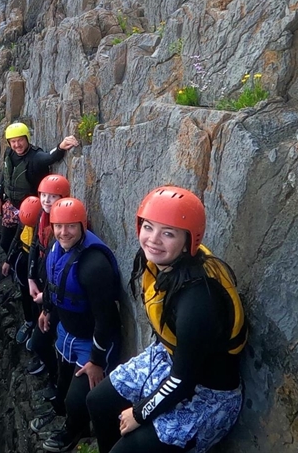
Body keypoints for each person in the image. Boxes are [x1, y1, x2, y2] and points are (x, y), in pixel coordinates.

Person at [86, 186, 247, 453]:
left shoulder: (198, 301)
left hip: (208, 393)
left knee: (125, 450)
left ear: (189, 241)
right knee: (97, 401)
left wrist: (138, 414)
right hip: (170, 360)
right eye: (148, 227)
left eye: (168, 233)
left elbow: (183, 381)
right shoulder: (162, 262)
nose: (153, 239)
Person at [31, 198, 122, 452]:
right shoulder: (55, 245)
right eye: (58, 226)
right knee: (62, 386)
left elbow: (106, 319)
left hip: (92, 341)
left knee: (76, 400)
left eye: (70, 226)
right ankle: (68, 419)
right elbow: (53, 283)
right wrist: (46, 310)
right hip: (67, 331)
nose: (63, 232)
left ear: (83, 226)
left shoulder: (94, 266)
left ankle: (75, 431)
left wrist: (96, 360)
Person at [0, 122, 80, 253]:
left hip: (31, 209)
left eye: (20, 140)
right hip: (11, 205)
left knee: (27, 246)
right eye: (13, 141)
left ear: (27, 138)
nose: (17, 145)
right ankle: (11, 264)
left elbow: (50, 157)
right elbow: (4, 175)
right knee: (5, 243)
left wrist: (61, 147)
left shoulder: (35, 157)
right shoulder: (9, 153)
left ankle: (23, 265)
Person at [25, 174, 71, 386]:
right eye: (43, 195)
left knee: (43, 339)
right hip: (44, 283)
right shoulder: (42, 217)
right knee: (41, 333)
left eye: (52, 197)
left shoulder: (66, 230)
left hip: (56, 295)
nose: (46, 201)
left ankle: (55, 376)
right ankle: (50, 367)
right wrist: (31, 278)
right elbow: (35, 246)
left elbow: (64, 272)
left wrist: (48, 299)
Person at [2, 195, 43, 344]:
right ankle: (28, 322)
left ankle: (38, 330)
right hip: (23, 258)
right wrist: (8, 261)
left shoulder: (44, 227)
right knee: (25, 294)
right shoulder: (24, 219)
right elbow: (16, 238)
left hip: (38, 264)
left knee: (38, 300)